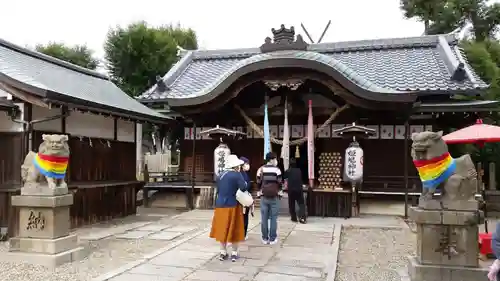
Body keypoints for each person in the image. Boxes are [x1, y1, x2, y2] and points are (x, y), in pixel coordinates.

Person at [209, 154, 246, 262]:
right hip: (233, 204)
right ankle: (234, 253)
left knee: (222, 228)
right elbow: (243, 188)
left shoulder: (220, 175)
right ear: (235, 166)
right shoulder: (237, 175)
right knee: (235, 228)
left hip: (220, 205)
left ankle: (222, 252)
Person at [256, 152, 282, 245]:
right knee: (273, 218)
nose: (276, 161)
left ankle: (264, 238)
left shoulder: (260, 169)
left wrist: (261, 190)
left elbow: (258, 182)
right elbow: (280, 183)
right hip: (274, 196)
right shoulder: (277, 170)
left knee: (264, 218)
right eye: (275, 159)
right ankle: (272, 238)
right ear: (272, 159)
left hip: (264, 196)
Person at [284, 158, 306, 224]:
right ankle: (302, 218)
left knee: (291, 204)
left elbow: (285, 180)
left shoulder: (288, 171)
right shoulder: (299, 170)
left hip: (291, 190)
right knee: (301, 204)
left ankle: (294, 218)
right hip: (299, 189)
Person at [239, 157, 253, 240]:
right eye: (246, 164)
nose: (248, 166)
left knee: (243, 216)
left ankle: (243, 233)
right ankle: (242, 234)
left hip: (243, 197)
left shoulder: (243, 173)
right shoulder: (241, 174)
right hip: (242, 198)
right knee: (244, 216)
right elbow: (244, 186)